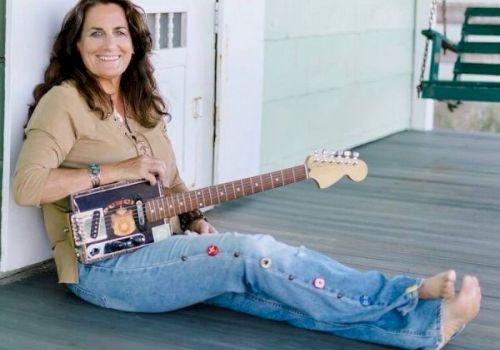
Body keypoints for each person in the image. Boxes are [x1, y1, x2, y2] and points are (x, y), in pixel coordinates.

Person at [14, 1, 481, 349]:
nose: (109, 44)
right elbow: (28, 186)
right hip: (103, 269)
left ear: (134, 43)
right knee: (251, 253)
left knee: (269, 288)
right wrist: (114, 169)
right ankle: (405, 291)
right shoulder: (66, 101)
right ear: (76, 45)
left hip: (162, 247)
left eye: (119, 32)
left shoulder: (140, 105)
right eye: (95, 33)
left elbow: (171, 186)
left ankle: (424, 327)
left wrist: (194, 217)